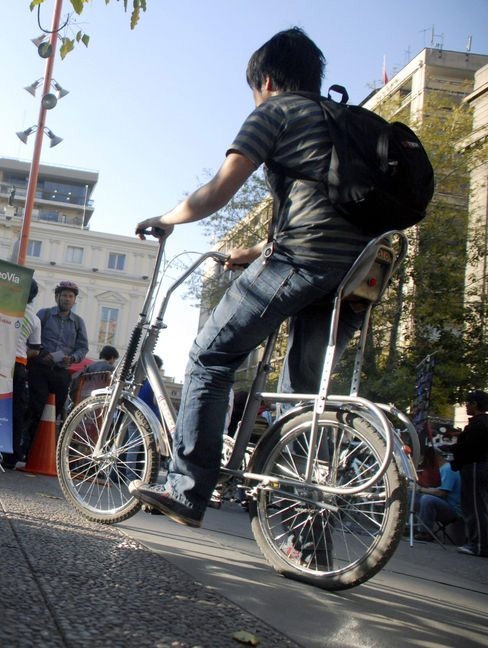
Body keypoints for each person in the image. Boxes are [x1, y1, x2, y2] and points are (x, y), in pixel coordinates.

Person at [129, 27, 374, 528]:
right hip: (360, 270)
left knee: (210, 355)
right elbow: (327, 217)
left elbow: (218, 191)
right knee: (302, 399)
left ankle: (186, 488)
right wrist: (252, 251)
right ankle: (307, 533)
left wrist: (166, 218)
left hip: (302, 262)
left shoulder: (277, 111)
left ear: (265, 80)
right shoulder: (343, 122)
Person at [26, 280, 89, 444]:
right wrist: (41, 352)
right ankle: (29, 447)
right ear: (56, 297)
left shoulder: (78, 322)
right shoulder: (44, 314)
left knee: (55, 412)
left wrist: (73, 358)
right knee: (36, 408)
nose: (67, 299)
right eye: (64, 296)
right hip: (39, 369)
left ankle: (47, 448)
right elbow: (30, 335)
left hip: (61, 372)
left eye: (70, 296)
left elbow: (83, 348)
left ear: (74, 300)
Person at [2, 279, 42, 470]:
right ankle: (11, 457)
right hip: (18, 365)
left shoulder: (3, 309)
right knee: (16, 411)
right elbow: (35, 349)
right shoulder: (34, 319)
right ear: (33, 297)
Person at [448, 390, 488, 556]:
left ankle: (478, 544)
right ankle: (477, 542)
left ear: (475, 404)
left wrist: (453, 449)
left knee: (474, 507)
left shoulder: (478, 424)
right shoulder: (482, 423)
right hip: (478, 467)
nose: (466, 406)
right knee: (479, 506)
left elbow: (468, 449)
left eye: (468, 403)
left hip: (474, 467)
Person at [413, 448, 462, 542]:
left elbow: (441, 493)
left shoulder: (448, 469)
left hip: (451, 508)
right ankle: (409, 527)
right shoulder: (440, 470)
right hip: (440, 504)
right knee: (411, 496)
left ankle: (425, 532)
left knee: (427, 499)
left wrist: (420, 489)